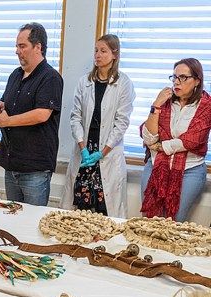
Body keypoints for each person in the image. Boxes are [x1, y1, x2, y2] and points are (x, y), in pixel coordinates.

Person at [61, 34, 134, 218]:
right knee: (79, 212)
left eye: (103, 51)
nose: (98, 55)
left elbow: (121, 123)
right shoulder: (84, 82)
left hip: (107, 154)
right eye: (96, 50)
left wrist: (102, 152)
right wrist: (82, 147)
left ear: (115, 55)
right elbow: (75, 117)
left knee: (104, 212)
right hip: (85, 152)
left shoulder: (123, 84)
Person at [0, 22, 63, 206]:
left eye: (22, 46)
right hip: (11, 162)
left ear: (38, 47)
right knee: (13, 219)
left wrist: (7, 121)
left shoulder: (51, 77)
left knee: (31, 225)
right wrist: (1, 108)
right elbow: (9, 105)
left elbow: (42, 114)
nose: (17, 51)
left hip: (35, 169)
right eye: (16, 46)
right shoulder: (15, 75)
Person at [140, 58, 211, 222]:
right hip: (156, 166)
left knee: (175, 221)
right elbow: (149, 137)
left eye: (183, 77)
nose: (176, 82)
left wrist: (162, 146)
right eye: (174, 77)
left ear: (196, 81)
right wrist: (156, 105)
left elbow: (193, 140)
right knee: (148, 220)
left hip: (190, 170)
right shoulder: (164, 102)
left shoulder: (206, 106)